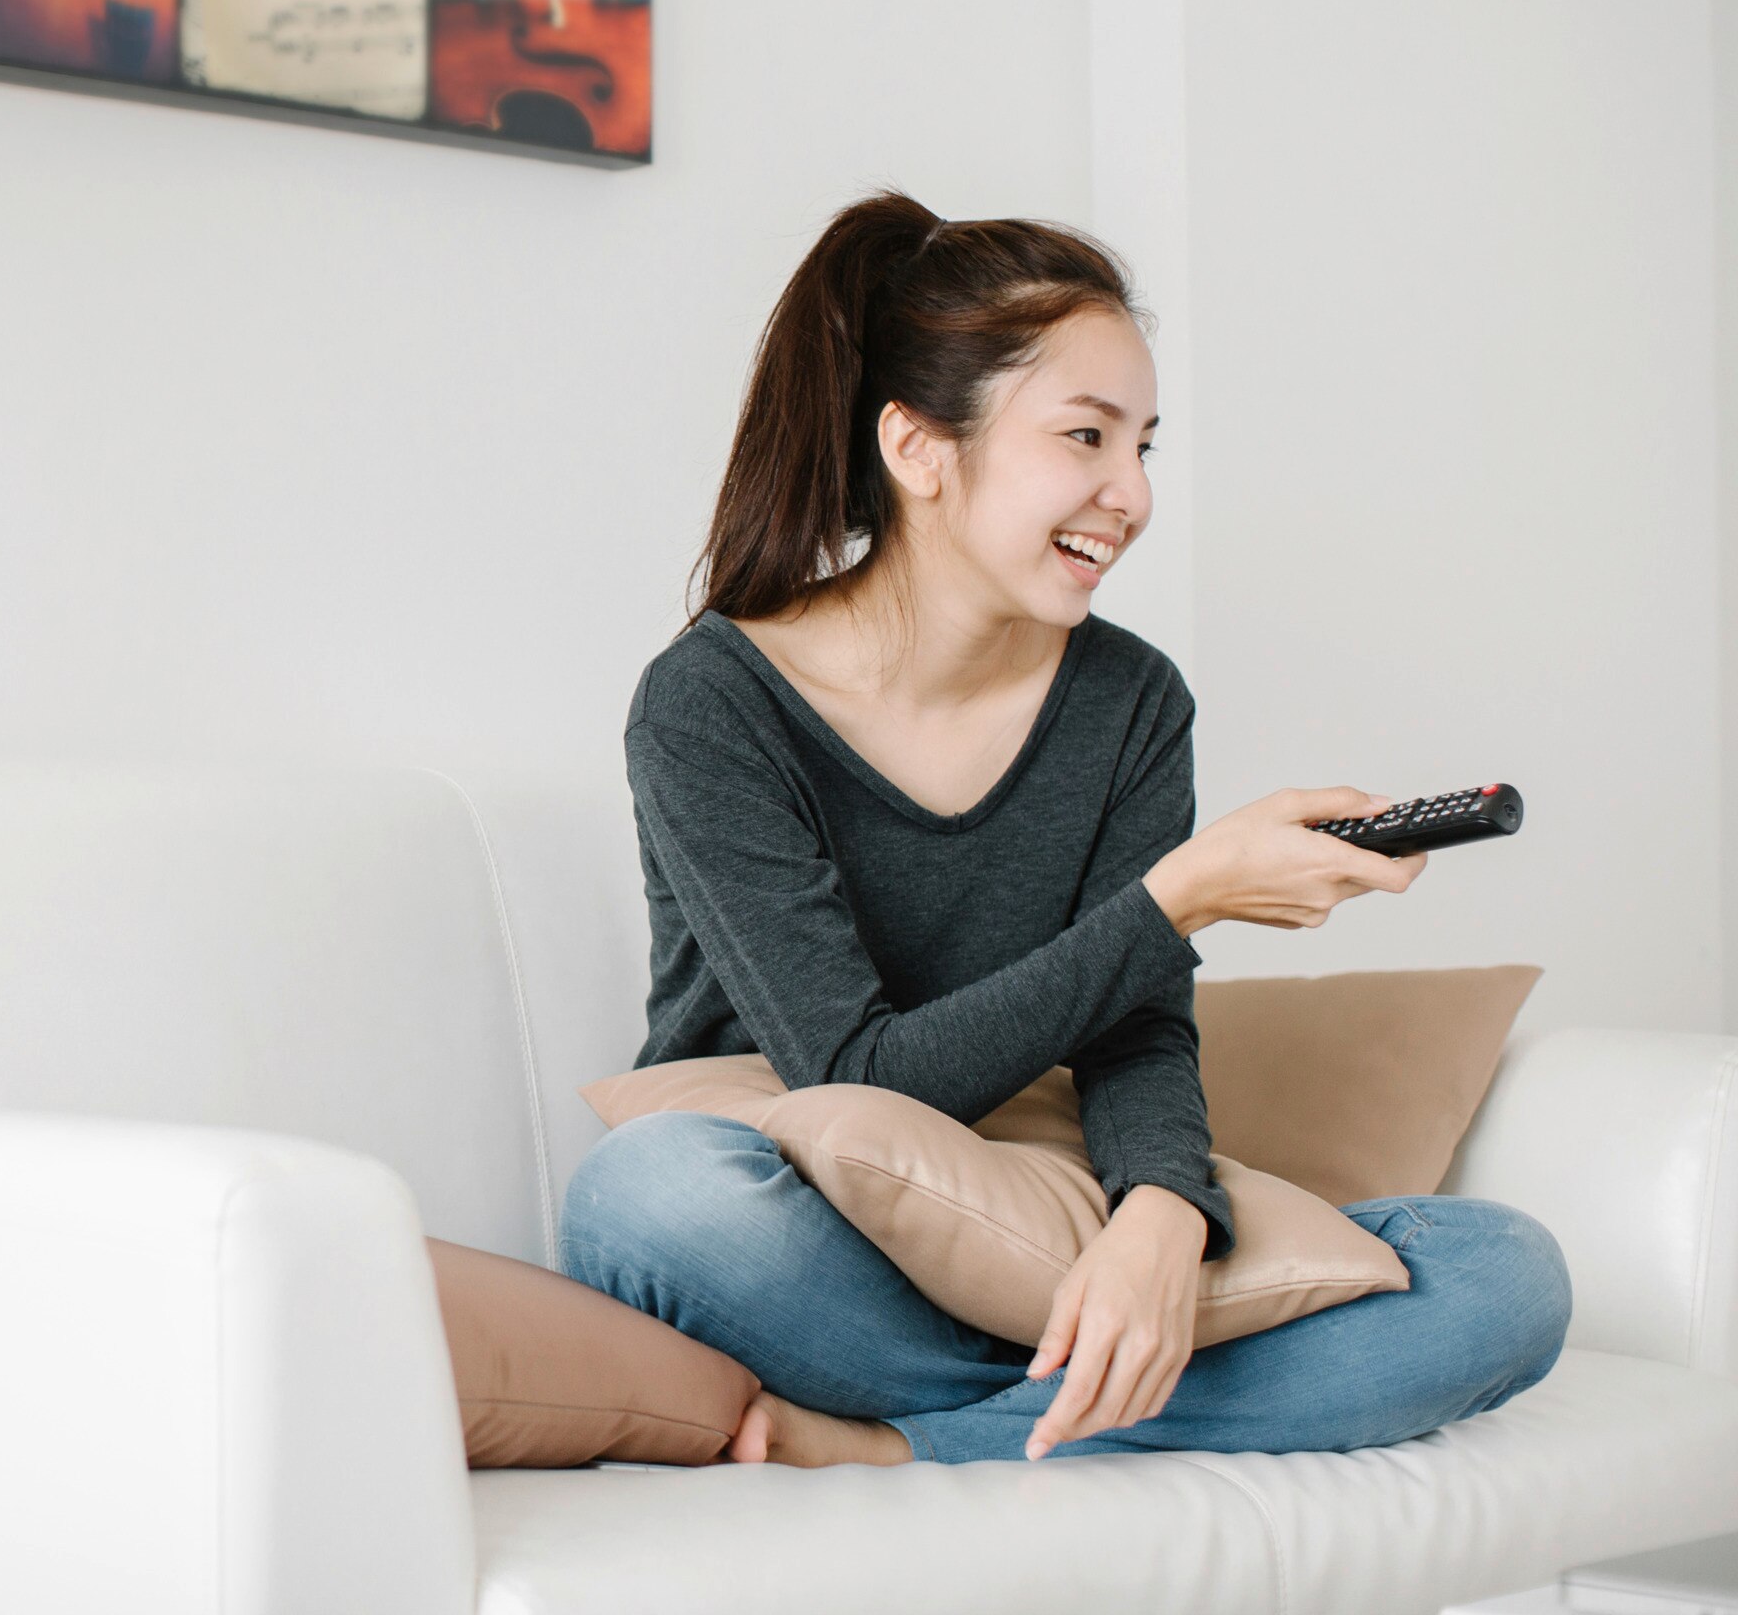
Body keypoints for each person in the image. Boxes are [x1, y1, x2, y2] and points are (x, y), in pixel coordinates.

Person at [562, 189, 1571, 1467]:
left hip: (1038, 1217)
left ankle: (900, 1441)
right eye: (1087, 437)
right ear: (920, 449)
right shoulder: (712, 701)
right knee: (644, 1199)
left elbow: (1134, 1032)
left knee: (1507, 1274)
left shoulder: (1130, 700)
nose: (1130, 494)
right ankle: (1078, 1400)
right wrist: (1180, 902)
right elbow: (857, 1083)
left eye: (1147, 446)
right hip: (814, 1220)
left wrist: (1160, 1215)